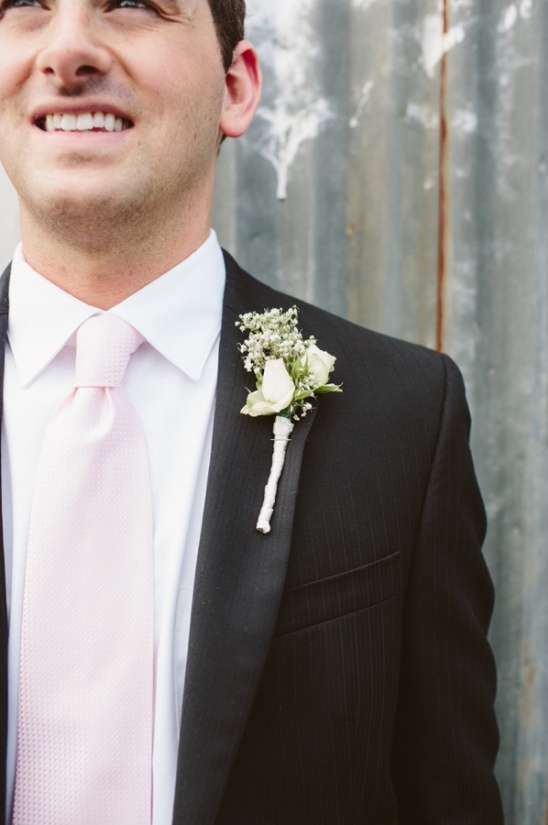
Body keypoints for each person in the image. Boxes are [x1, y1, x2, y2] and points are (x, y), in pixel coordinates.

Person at [0, 0, 503, 823]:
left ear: (235, 88)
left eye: (129, 3)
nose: (68, 49)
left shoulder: (406, 421)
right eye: (26, 5)